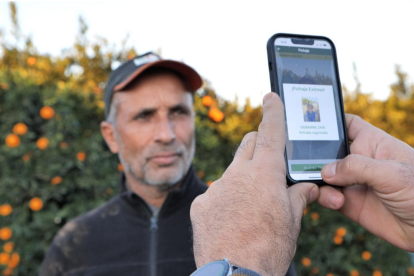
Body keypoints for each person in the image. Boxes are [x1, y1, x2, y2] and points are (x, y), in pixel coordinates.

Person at [39, 53, 296, 276]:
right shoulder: (73, 243)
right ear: (110, 136)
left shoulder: (242, 223)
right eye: (144, 116)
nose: (167, 134)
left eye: (179, 112)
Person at [190, 93, 414, 275]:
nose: (165, 134)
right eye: (151, 114)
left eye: (179, 111)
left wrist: (241, 265)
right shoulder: (215, 211)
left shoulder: (214, 212)